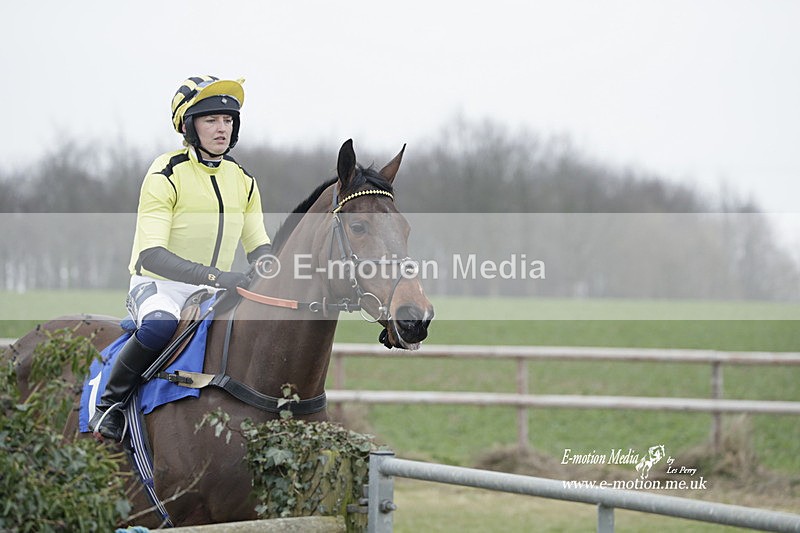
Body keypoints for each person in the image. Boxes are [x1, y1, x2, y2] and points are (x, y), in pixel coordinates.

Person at [89, 75, 272, 442]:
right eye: (211, 120)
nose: (222, 128)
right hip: (159, 287)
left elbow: (258, 246)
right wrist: (219, 277)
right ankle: (109, 404)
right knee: (158, 326)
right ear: (189, 126)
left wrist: (273, 266)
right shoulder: (165, 173)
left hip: (214, 292)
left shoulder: (244, 180)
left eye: (228, 120)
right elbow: (152, 255)